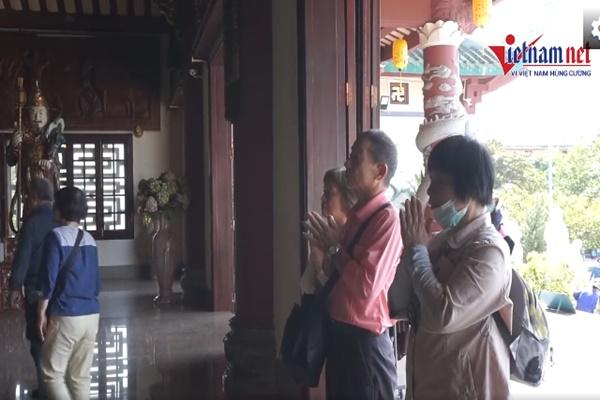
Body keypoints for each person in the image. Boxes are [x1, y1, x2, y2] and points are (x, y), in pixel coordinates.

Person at [397, 135, 512, 400]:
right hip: (427, 385)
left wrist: (418, 252)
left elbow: (443, 315)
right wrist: (411, 249)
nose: (430, 193)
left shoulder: (489, 252)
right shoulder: (442, 240)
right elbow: (397, 301)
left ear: (468, 190)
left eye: (439, 182)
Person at [304, 130, 402, 399]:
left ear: (380, 171)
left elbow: (366, 288)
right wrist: (322, 251)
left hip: (365, 344)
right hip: (342, 336)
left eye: (356, 158)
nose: (348, 164)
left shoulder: (386, 220)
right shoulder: (358, 216)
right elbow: (333, 274)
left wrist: (336, 248)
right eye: (350, 156)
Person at [37, 187, 100, 400]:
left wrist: (41, 311)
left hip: (66, 315)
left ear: (60, 209)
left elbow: (49, 278)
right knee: (80, 377)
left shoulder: (55, 237)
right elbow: (95, 280)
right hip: (92, 315)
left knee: (51, 374)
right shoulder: (90, 239)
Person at [8, 177, 56, 398]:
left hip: (36, 288)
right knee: (55, 338)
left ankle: (46, 387)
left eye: (28, 197)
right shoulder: (60, 219)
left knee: (37, 339)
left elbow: (23, 258)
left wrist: (15, 287)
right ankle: (56, 386)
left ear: (34, 198)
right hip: (58, 290)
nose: (26, 201)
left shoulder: (33, 223)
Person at [301, 167, 357, 294]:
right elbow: (305, 288)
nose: (322, 199)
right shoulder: (322, 236)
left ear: (347, 197)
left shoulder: (355, 239)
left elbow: (342, 293)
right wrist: (315, 254)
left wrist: (319, 266)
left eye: (328, 193)